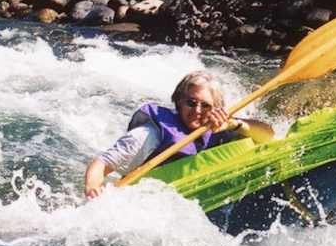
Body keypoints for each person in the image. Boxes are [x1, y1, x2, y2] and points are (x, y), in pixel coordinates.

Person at [85, 71, 274, 199]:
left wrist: (234, 124)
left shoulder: (221, 126)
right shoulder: (149, 135)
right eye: (191, 103)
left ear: (216, 108)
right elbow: (101, 164)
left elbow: (267, 136)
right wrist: (93, 191)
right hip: (148, 198)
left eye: (206, 105)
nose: (197, 111)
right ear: (178, 101)